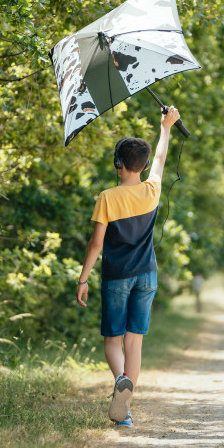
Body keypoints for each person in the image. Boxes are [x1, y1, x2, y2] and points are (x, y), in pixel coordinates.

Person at [76, 106, 181, 428]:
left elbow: (96, 245)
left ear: (118, 164)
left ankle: (121, 387)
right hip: (147, 274)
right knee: (135, 342)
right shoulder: (152, 190)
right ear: (144, 166)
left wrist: (83, 279)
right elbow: (162, 160)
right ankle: (127, 405)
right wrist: (167, 127)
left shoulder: (107, 198)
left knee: (113, 339)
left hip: (117, 277)